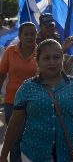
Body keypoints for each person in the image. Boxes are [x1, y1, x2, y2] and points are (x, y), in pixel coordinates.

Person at [0, 39, 73, 162]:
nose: (52, 62)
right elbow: (14, 125)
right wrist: (3, 155)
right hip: (33, 154)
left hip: (69, 155)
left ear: (62, 59)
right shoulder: (27, 87)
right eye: (46, 58)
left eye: (56, 57)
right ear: (37, 61)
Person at [0, 22, 38, 162]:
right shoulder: (10, 51)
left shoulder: (40, 53)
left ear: (36, 36)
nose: (29, 36)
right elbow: (2, 74)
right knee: (15, 142)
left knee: (31, 140)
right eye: (26, 34)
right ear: (20, 36)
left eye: (32, 34)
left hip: (35, 104)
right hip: (12, 102)